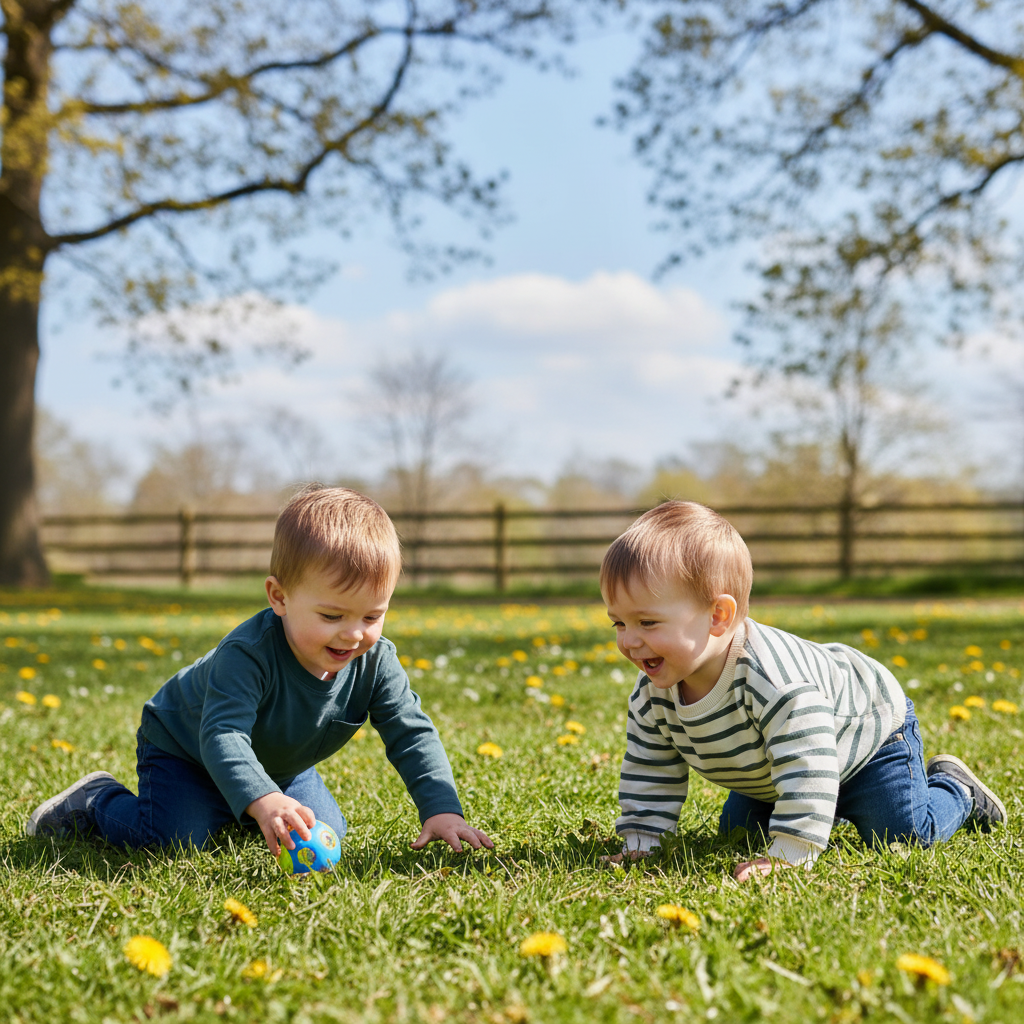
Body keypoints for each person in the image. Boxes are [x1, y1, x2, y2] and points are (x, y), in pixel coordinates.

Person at [27, 486, 493, 860]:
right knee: (176, 841)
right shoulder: (247, 655)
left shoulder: (376, 661)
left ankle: (243, 803)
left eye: (372, 616)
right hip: (185, 749)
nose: (353, 634)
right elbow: (223, 735)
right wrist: (264, 800)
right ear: (279, 597)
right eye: (332, 616)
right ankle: (96, 800)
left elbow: (411, 733)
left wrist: (441, 809)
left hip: (279, 763)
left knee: (328, 832)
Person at [602, 501, 1005, 880]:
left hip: (868, 741)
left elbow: (808, 758)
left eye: (648, 623)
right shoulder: (652, 694)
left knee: (900, 835)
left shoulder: (773, 681)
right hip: (778, 772)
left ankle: (957, 789)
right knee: (738, 832)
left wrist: (791, 853)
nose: (630, 642)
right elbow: (649, 768)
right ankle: (824, 809)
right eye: (619, 624)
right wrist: (643, 843)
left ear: (717, 616)